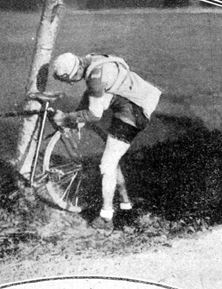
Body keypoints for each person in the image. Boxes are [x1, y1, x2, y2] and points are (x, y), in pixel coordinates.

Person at [51, 53, 162, 235]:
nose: (71, 84)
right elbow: (92, 95)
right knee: (113, 156)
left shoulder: (95, 79)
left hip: (135, 110)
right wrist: (76, 116)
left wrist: (67, 117)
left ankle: (106, 218)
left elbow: (95, 114)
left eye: (70, 79)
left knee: (107, 164)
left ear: (77, 69)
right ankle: (126, 205)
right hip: (138, 96)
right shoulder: (92, 60)